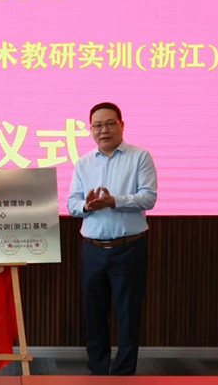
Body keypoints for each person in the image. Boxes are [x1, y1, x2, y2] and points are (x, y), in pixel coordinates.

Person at [67, 102, 157, 376]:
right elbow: (72, 203)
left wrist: (113, 201)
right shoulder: (83, 163)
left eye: (109, 123)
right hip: (92, 250)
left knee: (128, 315)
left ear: (121, 125)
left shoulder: (140, 157)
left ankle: (123, 375)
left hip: (128, 248)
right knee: (94, 315)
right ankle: (98, 371)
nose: (103, 130)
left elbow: (148, 198)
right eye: (97, 125)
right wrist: (86, 206)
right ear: (91, 130)